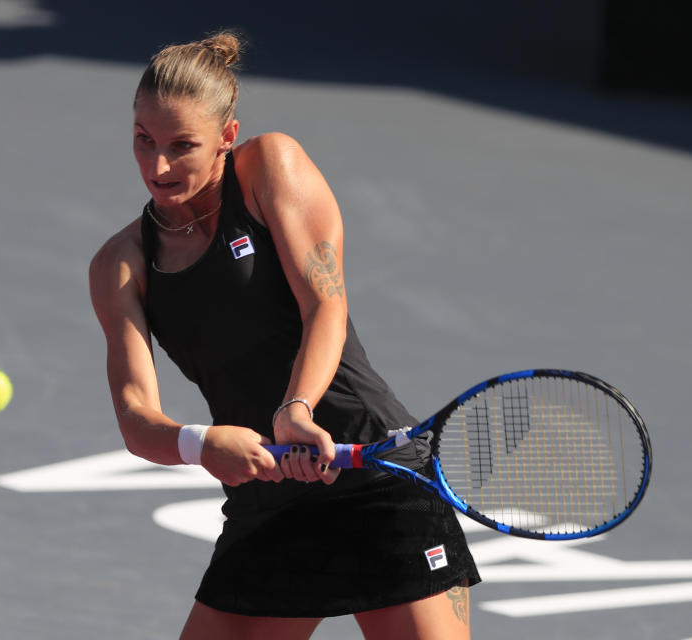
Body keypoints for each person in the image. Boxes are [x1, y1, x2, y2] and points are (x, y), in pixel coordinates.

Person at [89, 31, 480, 639]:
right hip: (267, 504)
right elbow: (137, 417)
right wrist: (202, 443)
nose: (158, 166)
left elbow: (325, 302)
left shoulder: (270, 166)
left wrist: (295, 408)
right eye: (144, 140)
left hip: (374, 473)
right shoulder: (121, 265)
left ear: (226, 136)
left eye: (181, 146)